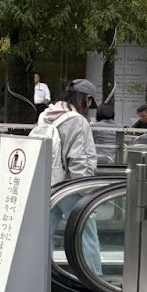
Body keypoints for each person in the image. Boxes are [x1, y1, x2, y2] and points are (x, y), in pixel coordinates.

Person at [38, 79, 102, 277]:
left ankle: (41, 278)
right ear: (86, 99)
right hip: (69, 186)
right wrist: (87, 191)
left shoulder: (46, 115)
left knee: (44, 233)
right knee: (86, 232)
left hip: (47, 183)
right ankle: (94, 280)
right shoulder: (77, 121)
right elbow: (79, 160)